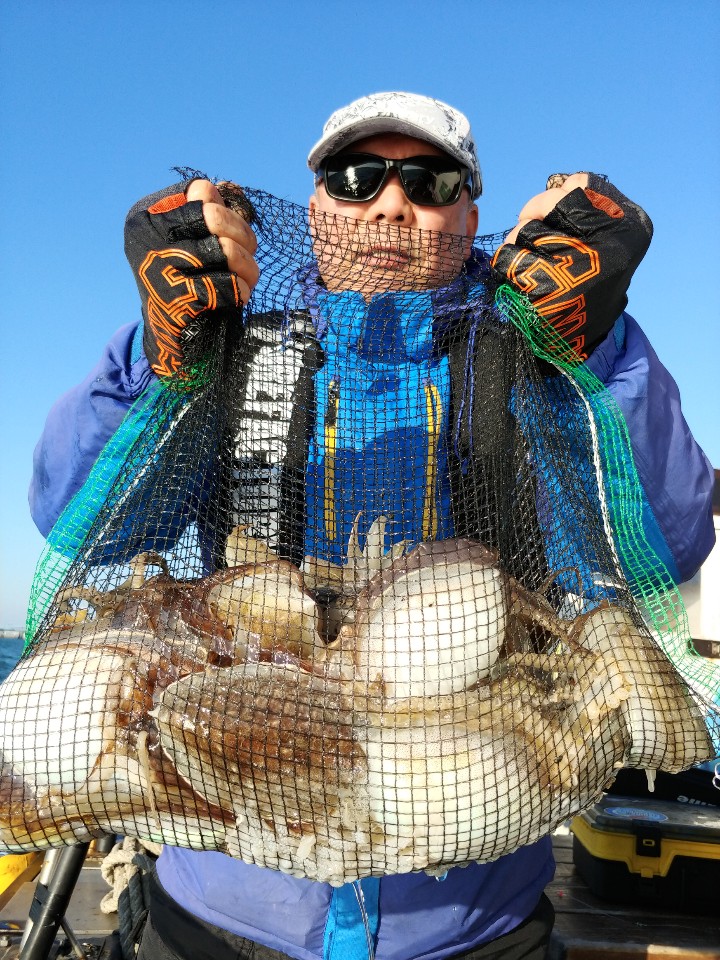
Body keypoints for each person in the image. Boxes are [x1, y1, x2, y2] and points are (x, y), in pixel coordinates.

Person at [29, 92, 715, 960]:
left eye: (430, 181)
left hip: (472, 922)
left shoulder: (549, 354)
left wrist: (601, 346)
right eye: (357, 179)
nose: (392, 204)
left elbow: (672, 539)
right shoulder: (215, 340)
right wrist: (158, 364)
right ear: (316, 210)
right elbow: (76, 518)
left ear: (471, 213)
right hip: (219, 911)